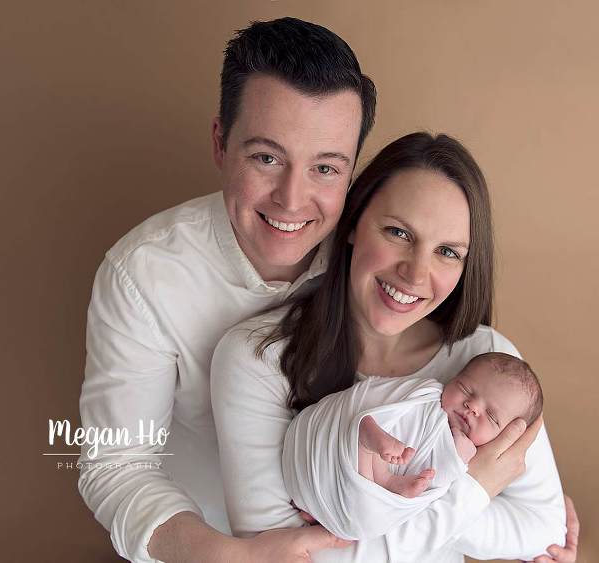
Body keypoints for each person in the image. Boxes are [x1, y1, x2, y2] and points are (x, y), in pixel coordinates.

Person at [78, 17, 377, 562]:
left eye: (326, 169)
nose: (292, 200)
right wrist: (228, 557)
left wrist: (522, 496)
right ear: (220, 142)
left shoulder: (379, 259)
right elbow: (116, 464)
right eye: (266, 158)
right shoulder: (143, 272)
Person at [212, 133, 570, 562]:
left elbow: (544, 528)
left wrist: (402, 510)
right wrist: (475, 488)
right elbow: (278, 557)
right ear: (353, 224)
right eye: (399, 232)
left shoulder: (490, 364)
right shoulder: (258, 358)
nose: (416, 274)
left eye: (448, 252)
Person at [279, 352, 544, 542]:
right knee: (369, 433)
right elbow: (378, 395)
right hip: (326, 441)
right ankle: (367, 433)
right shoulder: (426, 396)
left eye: (492, 417)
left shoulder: (469, 453)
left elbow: (432, 494)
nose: (472, 407)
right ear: (453, 378)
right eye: (465, 388)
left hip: (333, 493)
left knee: (372, 511)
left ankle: (380, 468)